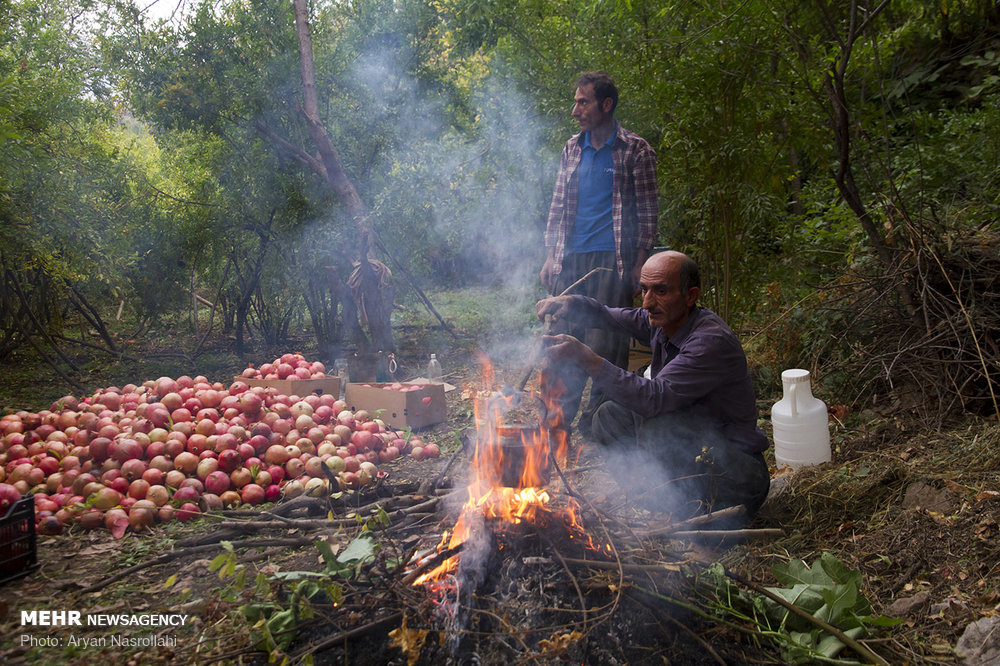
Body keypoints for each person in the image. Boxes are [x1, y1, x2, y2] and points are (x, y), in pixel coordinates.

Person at [537, 251, 771, 518]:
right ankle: (661, 502)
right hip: (699, 448)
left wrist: (587, 358)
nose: (647, 303)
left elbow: (654, 398)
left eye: (660, 291)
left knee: (659, 424)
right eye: (645, 290)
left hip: (738, 474)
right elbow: (609, 316)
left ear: (691, 296)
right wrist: (571, 303)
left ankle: (700, 518)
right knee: (608, 416)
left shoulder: (709, 341)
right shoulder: (663, 320)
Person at [540, 71, 658, 434]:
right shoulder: (571, 149)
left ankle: (598, 427)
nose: (575, 110)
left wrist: (639, 265)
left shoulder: (636, 150)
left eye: (583, 101)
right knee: (562, 342)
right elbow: (558, 207)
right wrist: (550, 256)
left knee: (607, 346)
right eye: (576, 101)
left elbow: (648, 212)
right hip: (570, 263)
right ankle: (554, 427)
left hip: (612, 264)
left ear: (606, 105)